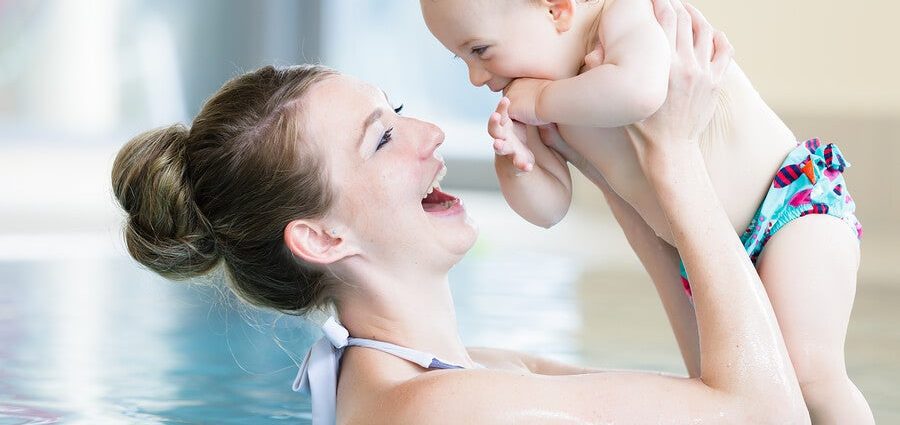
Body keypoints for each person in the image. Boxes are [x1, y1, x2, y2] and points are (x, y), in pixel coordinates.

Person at [110, 4, 808, 424]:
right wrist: (676, 161)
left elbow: (719, 393)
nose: (432, 136)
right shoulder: (439, 408)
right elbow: (769, 416)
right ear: (322, 236)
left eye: (401, 113)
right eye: (382, 137)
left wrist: (625, 178)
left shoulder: (462, 375)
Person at [419, 0, 872, 422]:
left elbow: (640, 90)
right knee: (729, 388)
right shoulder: (543, 96)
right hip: (702, 254)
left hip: (790, 208)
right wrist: (514, 160)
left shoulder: (621, 18)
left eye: (480, 50)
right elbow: (549, 209)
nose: (477, 77)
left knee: (807, 372)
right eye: (463, 60)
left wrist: (539, 104)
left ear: (557, 9)